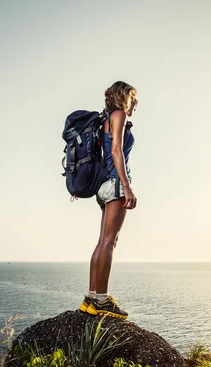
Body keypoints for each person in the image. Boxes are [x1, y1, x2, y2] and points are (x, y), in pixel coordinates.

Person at [79, 81, 138, 319]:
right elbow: (116, 151)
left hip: (103, 186)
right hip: (115, 184)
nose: (136, 103)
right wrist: (127, 186)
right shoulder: (119, 115)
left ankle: (92, 297)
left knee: (103, 241)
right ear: (124, 97)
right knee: (109, 241)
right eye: (134, 98)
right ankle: (101, 299)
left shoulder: (105, 119)